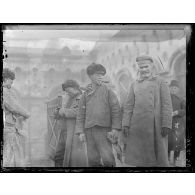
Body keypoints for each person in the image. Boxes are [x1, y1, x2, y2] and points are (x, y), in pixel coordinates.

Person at [122, 55, 173, 167]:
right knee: (140, 160)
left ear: (152, 66)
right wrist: (125, 124)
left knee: (158, 161)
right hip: (137, 126)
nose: (144, 69)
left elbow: (167, 105)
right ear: (138, 68)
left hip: (156, 126)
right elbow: (129, 106)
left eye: (146, 66)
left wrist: (166, 124)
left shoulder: (160, 82)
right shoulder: (134, 84)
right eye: (141, 67)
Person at [75, 63, 122, 167]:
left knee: (108, 160)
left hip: (104, 131)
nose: (100, 76)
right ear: (90, 76)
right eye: (97, 74)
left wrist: (115, 129)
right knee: (93, 161)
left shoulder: (108, 91)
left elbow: (116, 110)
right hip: (89, 131)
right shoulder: (85, 94)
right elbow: (80, 114)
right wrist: (80, 132)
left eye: (102, 74)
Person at [54, 79, 87, 167]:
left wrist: (62, 111)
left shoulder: (83, 97)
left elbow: (78, 112)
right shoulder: (67, 97)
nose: (68, 93)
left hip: (74, 132)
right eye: (67, 92)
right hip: (63, 131)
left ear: (75, 87)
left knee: (73, 159)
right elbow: (59, 109)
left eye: (69, 91)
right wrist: (57, 111)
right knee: (58, 156)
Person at [3, 68, 30, 167]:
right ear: (5, 79)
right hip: (8, 127)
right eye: (11, 81)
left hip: (7, 126)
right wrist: (26, 114)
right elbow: (14, 107)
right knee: (9, 155)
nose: (12, 83)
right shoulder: (4, 91)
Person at [168, 80, 186, 165]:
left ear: (178, 89)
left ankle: (175, 159)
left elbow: (185, 110)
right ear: (169, 88)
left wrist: (176, 112)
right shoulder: (166, 98)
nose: (173, 89)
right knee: (167, 141)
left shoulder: (181, 99)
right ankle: (166, 159)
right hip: (168, 122)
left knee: (177, 142)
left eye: (175, 88)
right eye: (172, 88)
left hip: (178, 123)